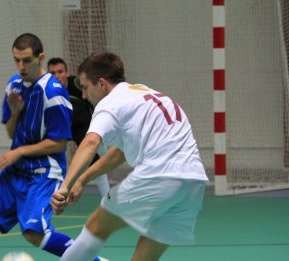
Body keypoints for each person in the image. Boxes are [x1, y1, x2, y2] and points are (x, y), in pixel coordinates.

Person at [51, 51, 209, 261]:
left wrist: (64, 186)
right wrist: (82, 180)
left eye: (85, 87)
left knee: (97, 225)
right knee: (147, 254)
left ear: (101, 83)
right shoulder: (143, 94)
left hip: (159, 175)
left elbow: (90, 142)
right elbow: (119, 155)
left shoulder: (110, 103)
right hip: (194, 184)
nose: (83, 95)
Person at [0, 33, 105, 261]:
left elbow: (59, 143)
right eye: (16, 60)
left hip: (44, 172)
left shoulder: (53, 92)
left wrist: (19, 151)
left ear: (40, 57)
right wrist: (14, 114)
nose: (21, 66)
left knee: (34, 233)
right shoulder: (13, 86)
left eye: (26, 60)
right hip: (16, 171)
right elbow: (11, 133)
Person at [47, 57, 110, 197]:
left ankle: (107, 197)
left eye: (60, 71)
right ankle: (51, 195)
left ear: (67, 73)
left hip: (84, 127)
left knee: (98, 159)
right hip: (60, 129)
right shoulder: (45, 91)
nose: (57, 76)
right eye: (52, 73)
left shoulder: (77, 83)